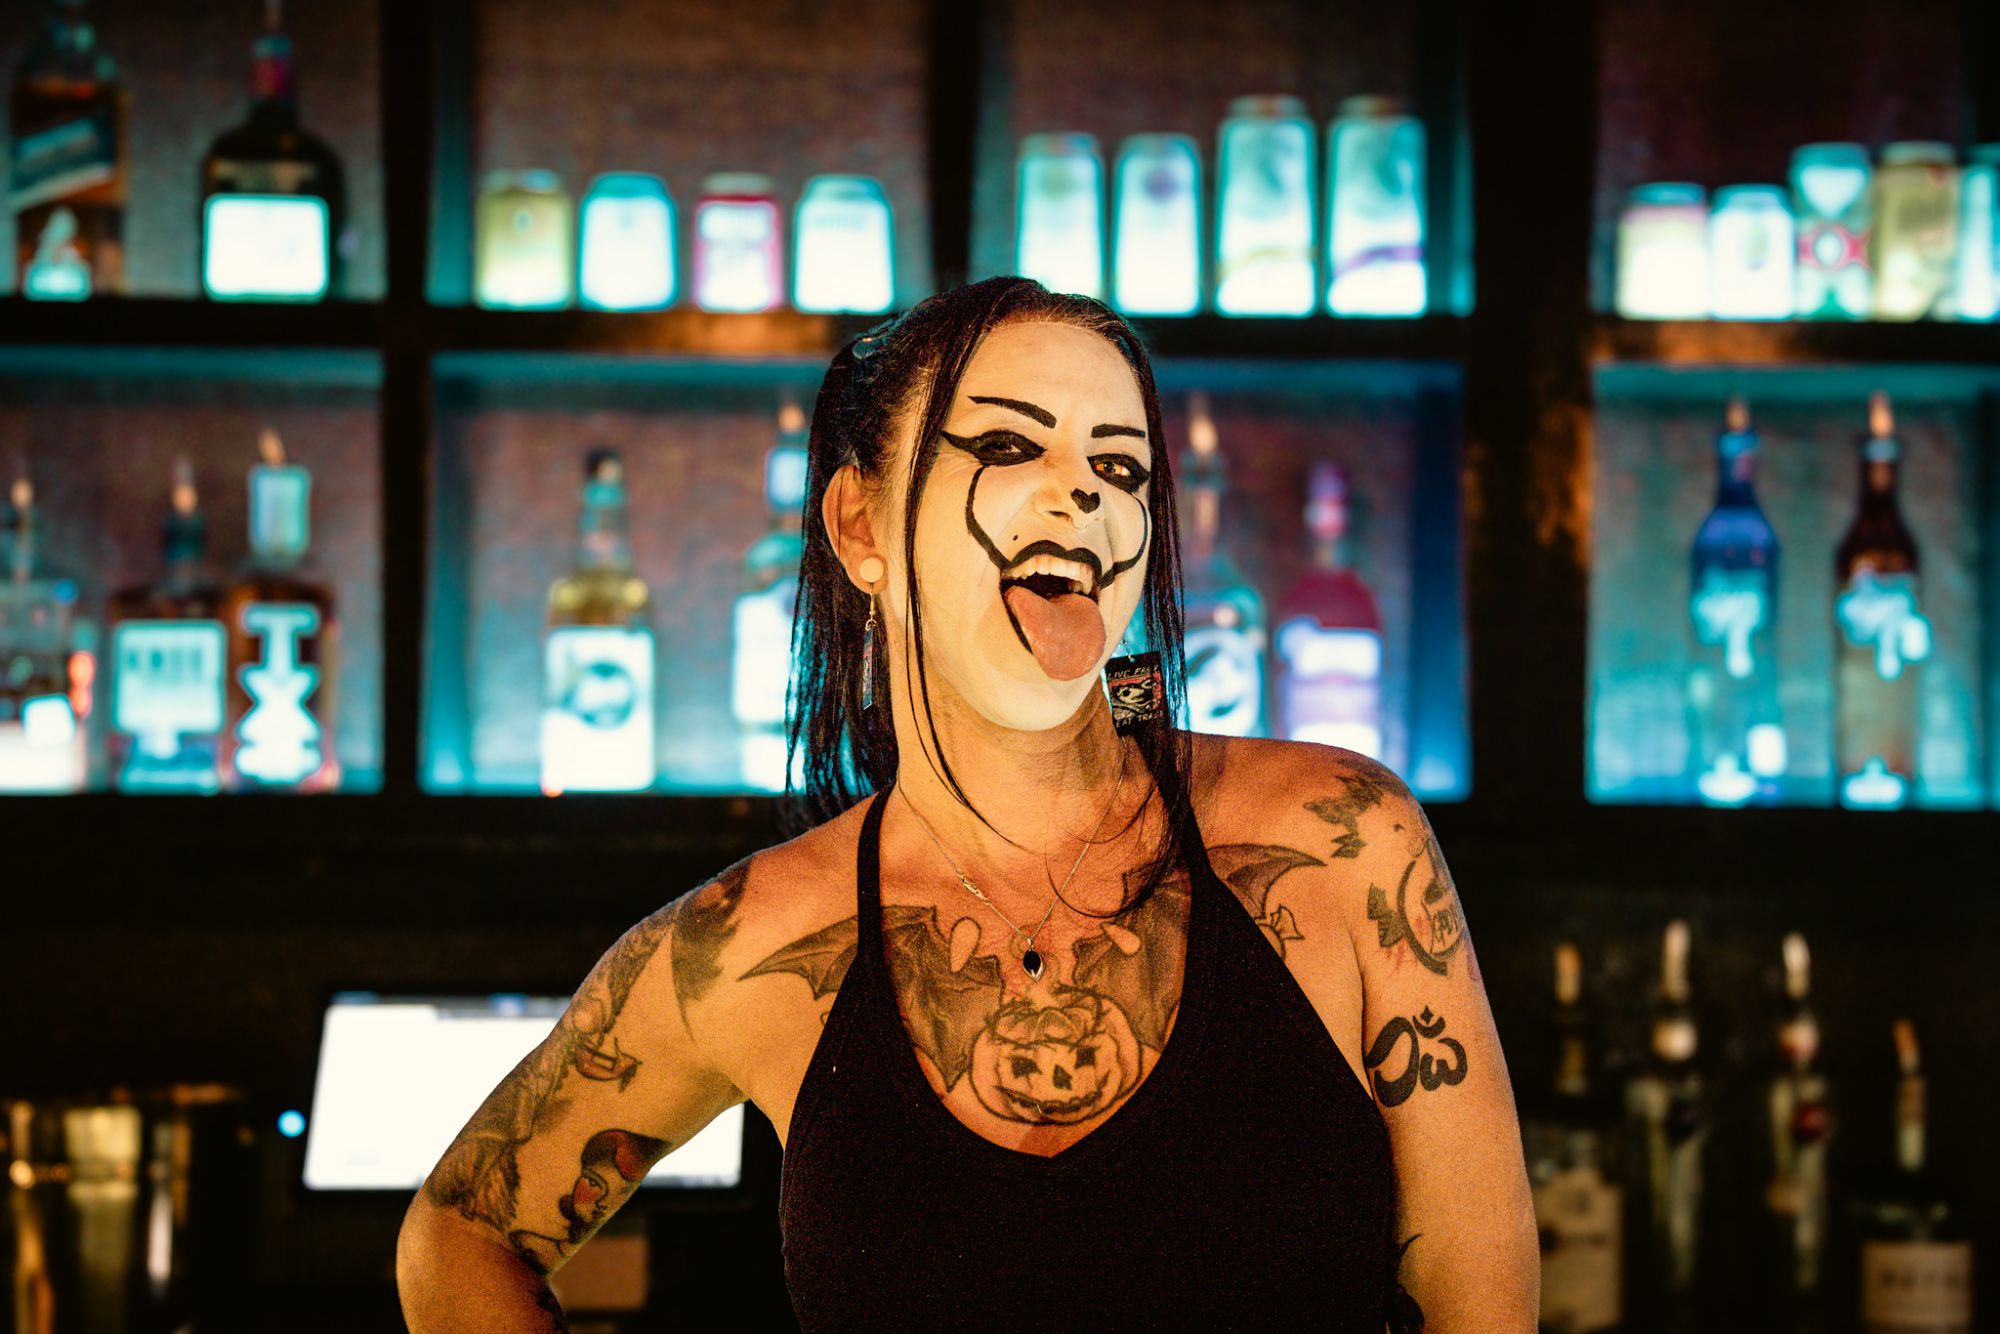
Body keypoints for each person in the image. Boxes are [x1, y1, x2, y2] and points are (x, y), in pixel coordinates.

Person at [396, 276, 1538, 1332]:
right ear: (858, 529)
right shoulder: (749, 945)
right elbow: (459, 1233)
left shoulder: (1338, 838)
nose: (1081, 491)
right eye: (1004, 443)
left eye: (1121, 466)